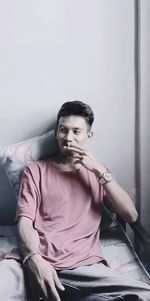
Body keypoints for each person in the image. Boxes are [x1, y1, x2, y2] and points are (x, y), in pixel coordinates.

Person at [0, 100, 150, 301]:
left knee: (144, 294)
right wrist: (33, 258)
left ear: (89, 136)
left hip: (83, 267)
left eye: (76, 131)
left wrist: (97, 169)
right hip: (33, 261)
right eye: (63, 130)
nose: (68, 138)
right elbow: (25, 221)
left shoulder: (100, 173)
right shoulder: (35, 171)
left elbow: (130, 214)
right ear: (56, 133)